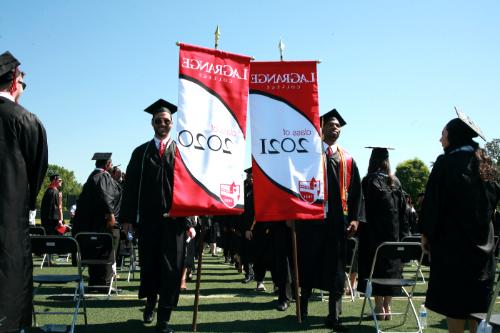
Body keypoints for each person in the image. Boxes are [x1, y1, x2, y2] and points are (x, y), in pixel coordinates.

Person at [120, 99, 196, 333]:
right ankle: (151, 302)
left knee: (172, 270)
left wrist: (191, 220)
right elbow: (130, 188)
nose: (162, 124)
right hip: (148, 222)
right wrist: (127, 219)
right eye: (158, 121)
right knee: (150, 265)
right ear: (151, 123)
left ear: (172, 123)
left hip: (175, 222)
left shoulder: (183, 152)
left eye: (166, 121)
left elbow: (190, 188)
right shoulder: (140, 153)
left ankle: (164, 317)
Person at [421, 111, 500, 333]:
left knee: (454, 305)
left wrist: (426, 235)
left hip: (452, 248)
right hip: (482, 247)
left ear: (453, 135)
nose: (440, 139)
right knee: (475, 304)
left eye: (443, 134)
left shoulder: (446, 162)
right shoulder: (486, 163)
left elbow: (432, 204)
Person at [297, 108, 365, 331]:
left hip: (338, 224)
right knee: (308, 264)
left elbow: (356, 192)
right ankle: (302, 308)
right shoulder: (308, 155)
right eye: (331, 125)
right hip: (311, 221)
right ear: (321, 128)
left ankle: (334, 316)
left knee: (337, 271)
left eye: (338, 126)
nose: (335, 128)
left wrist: (355, 218)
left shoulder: (347, 158)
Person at [0, 51, 48, 333]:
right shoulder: (25, 120)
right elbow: (35, 170)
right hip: (9, 223)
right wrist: (24, 201)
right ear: (14, 82)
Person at [357, 147, 409, 320]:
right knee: (392, 271)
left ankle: (379, 308)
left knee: (375, 270)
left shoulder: (368, 181)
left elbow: (362, 210)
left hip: (374, 237)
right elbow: (404, 213)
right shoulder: (396, 182)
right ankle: (388, 307)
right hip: (394, 237)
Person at [72, 152, 121, 288]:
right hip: (103, 222)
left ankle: (94, 281)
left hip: (91, 224)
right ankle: (104, 283)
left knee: (94, 251)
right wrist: (110, 215)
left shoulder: (92, 177)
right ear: (108, 164)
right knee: (106, 251)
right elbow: (106, 197)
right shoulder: (102, 177)